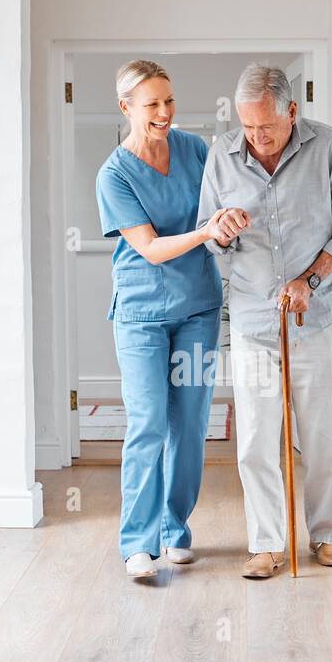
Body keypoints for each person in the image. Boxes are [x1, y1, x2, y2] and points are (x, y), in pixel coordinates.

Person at [198, 63, 332, 579]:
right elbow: (209, 234)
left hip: (317, 317)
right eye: (248, 127)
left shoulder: (331, 147)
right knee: (254, 437)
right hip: (252, 318)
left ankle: (325, 535)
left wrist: (307, 282)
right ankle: (267, 543)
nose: (257, 139)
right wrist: (220, 229)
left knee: (321, 434)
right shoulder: (221, 156)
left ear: (292, 111)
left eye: (266, 127)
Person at [95, 59, 250, 578]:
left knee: (189, 424)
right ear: (126, 108)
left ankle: (174, 528)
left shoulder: (193, 150)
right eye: (151, 104)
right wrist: (206, 233)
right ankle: (137, 543)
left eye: (169, 101)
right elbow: (152, 249)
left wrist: (225, 224)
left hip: (198, 310)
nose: (164, 113)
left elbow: (215, 214)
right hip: (140, 315)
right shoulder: (114, 174)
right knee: (147, 423)